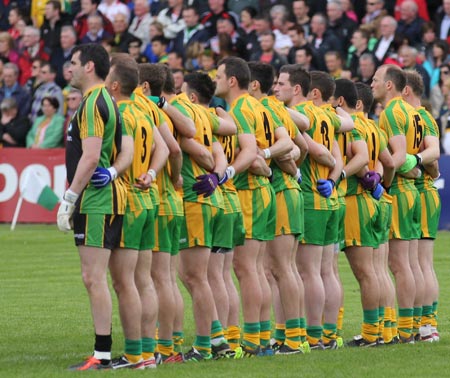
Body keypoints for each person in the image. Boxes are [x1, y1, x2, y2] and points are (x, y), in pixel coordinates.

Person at [92, 53, 169, 369]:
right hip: (149, 199)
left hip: (126, 201)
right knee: (144, 280)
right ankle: (148, 354)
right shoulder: (144, 110)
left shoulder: (117, 113)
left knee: (124, 283)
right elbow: (163, 148)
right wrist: (151, 174)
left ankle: (136, 355)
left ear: (113, 84)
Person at [57, 43, 128, 371]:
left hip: (98, 201)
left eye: (73, 63)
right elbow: (123, 149)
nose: (68, 69)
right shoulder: (107, 102)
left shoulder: (93, 103)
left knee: (94, 277)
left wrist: (70, 197)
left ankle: (102, 353)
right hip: (105, 197)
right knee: (105, 278)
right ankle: (133, 350)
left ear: (89, 67)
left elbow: (90, 155)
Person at [214, 56, 276, 356]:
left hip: (250, 192)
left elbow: (250, 152)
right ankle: (262, 337)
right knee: (258, 269)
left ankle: (252, 338)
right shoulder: (258, 105)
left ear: (232, 81)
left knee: (245, 268)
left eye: (218, 75)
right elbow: (286, 142)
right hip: (264, 191)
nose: (215, 80)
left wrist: (233, 171)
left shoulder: (238, 109)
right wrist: (268, 165)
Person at [371, 64, 422, 344]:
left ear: (389, 85)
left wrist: (385, 180)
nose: (371, 84)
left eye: (375, 80)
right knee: (410, 264)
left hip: (400, 191)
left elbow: (400, 155)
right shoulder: (411, 112)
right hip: (412, 190)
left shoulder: (391, 112)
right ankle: (412, 326)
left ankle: (403, 330)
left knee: (399, 265)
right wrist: (416, 166)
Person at [402, 71, 441, 342]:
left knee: (421, 262)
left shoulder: (423, 117)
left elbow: (434, 156)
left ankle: (427, 325)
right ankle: (421, 323)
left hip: (421, 192)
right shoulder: (420, 117)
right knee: (416, 262)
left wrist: (413, 161)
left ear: (406, 90)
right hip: (419, 191)